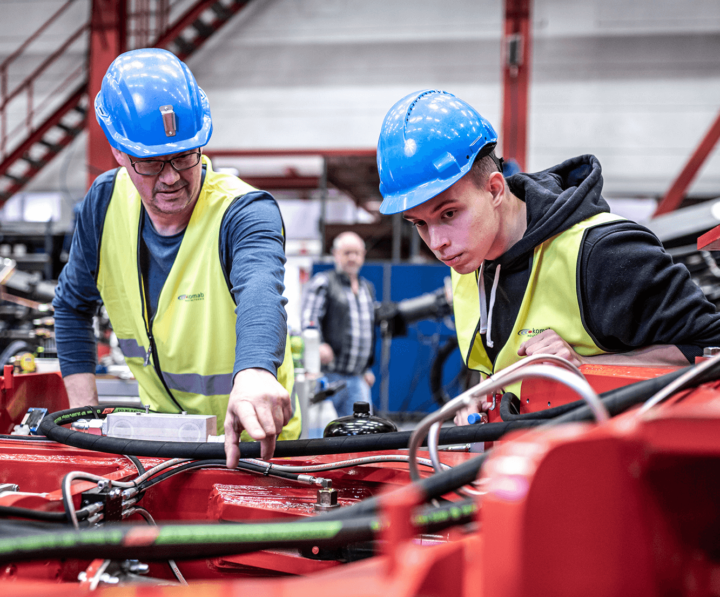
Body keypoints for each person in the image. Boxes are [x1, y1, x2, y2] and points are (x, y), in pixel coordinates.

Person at [376, 89, 720, 422]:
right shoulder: (471, 260)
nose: (437, 242)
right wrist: (488, 394)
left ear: (495, 189)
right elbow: (506, 368)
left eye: (449, 214)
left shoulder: (601, 253)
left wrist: (583, 368)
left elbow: (708, 352)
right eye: (419, 223)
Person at [52, 48, 300, 465]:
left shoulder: (243, 211)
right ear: (117, 151)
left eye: (185, 156)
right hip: (160, 446)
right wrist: (86, 419)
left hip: (255, 443)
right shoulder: (104, 204)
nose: (170, 178)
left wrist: (256, 371)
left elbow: (260, 289)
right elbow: (72, 306)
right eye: (150, 163)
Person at [301, 232, 376, 417]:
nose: (352, 257)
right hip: (328, 376)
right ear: (335, 254)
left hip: (358, 379)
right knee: (325, 436)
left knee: (361, 435)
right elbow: (308, 319)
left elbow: (367, 330)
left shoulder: (367, 288)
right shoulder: (323, 282)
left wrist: (366, 368)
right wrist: (318, 345)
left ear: (363, 255)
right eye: (347, 252)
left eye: (357, 253)